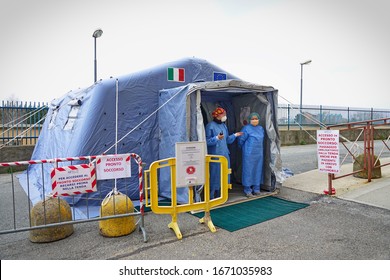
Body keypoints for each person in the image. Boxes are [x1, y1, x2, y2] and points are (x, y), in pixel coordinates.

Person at [206, 107, 243, 199]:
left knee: (224, 175)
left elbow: (227, 141)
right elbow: (206, 142)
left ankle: (222, 196)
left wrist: (235, 135)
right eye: (223, 115)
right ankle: (211, 197)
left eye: (225, 115)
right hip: (215, 156)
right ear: (217, 115)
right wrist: (216, 138)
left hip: (225, 155)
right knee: (215, 176)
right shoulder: (210, 126)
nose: (225, 117)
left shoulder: (224, 126)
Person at [238, 112, 265, 198]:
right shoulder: (246, 128)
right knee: (248, 170)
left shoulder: (261, 129)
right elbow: (240, 140)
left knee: (257, 170)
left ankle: (256, 189)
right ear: (249, 120)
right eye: (252, 119)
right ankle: (247, 190)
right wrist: (242, 149)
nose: (254, 120)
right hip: (248, 154)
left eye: (256, 119)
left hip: (258, 153)